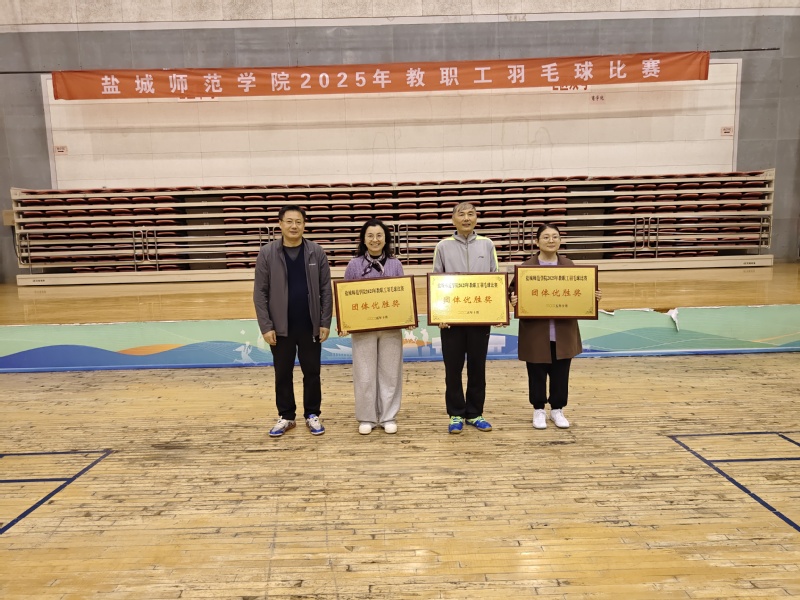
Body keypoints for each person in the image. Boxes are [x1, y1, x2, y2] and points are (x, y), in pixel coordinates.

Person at [509, 224, 602, 430]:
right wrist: (513, 299)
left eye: (555, 237)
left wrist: (592, 296)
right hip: (536, 332)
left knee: (561, 372)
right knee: (536, 372)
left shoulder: (569, 265)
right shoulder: (526, 267)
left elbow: (581, 291)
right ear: (537, 241)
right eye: (546, 237)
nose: (551, 241)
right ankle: (538, 409)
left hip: (563, 331)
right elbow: (512, 292)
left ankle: (557, 409)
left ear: (560, 241)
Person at [253, 206, 332, 437]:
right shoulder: (267, 253)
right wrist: (266, 326)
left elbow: (326, 290)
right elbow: (260, 293)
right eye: (289, 221)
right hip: (280, 327)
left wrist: (325, 321)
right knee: (282, 373)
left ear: (304, 225)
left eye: (298, 222)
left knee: (312, 372)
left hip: (310, 325)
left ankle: (312, 414)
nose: (294, 226)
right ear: (280, 224)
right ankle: (286, 416)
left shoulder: (316, 252)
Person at [432, 202, 499, 434]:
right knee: (453, 368)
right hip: (451, 320)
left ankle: (475, 413)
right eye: (461, 214)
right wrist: (439, 315)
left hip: (480, 318)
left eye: (471, 214)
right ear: (453, 219)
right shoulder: (443, 246)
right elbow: (436, 281)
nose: (466, 218)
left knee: (477, 367)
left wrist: (496, 311)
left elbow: (495, 278)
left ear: (477, 218)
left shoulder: (487, 244)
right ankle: (455, 413)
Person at [341, 219, 405, 435]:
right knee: (364, 373)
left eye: (379, 235)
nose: (375, 240)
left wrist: (407, 317)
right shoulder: (354, 265)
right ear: (363, 239)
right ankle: (367, 417)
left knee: (391, 373)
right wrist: (345, 322)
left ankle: (388, 416)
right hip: (363, 329)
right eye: (370, 235)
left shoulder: (395, 264)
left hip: (391, 328)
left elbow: (403, 296)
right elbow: (345, 297)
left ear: (386, 239)